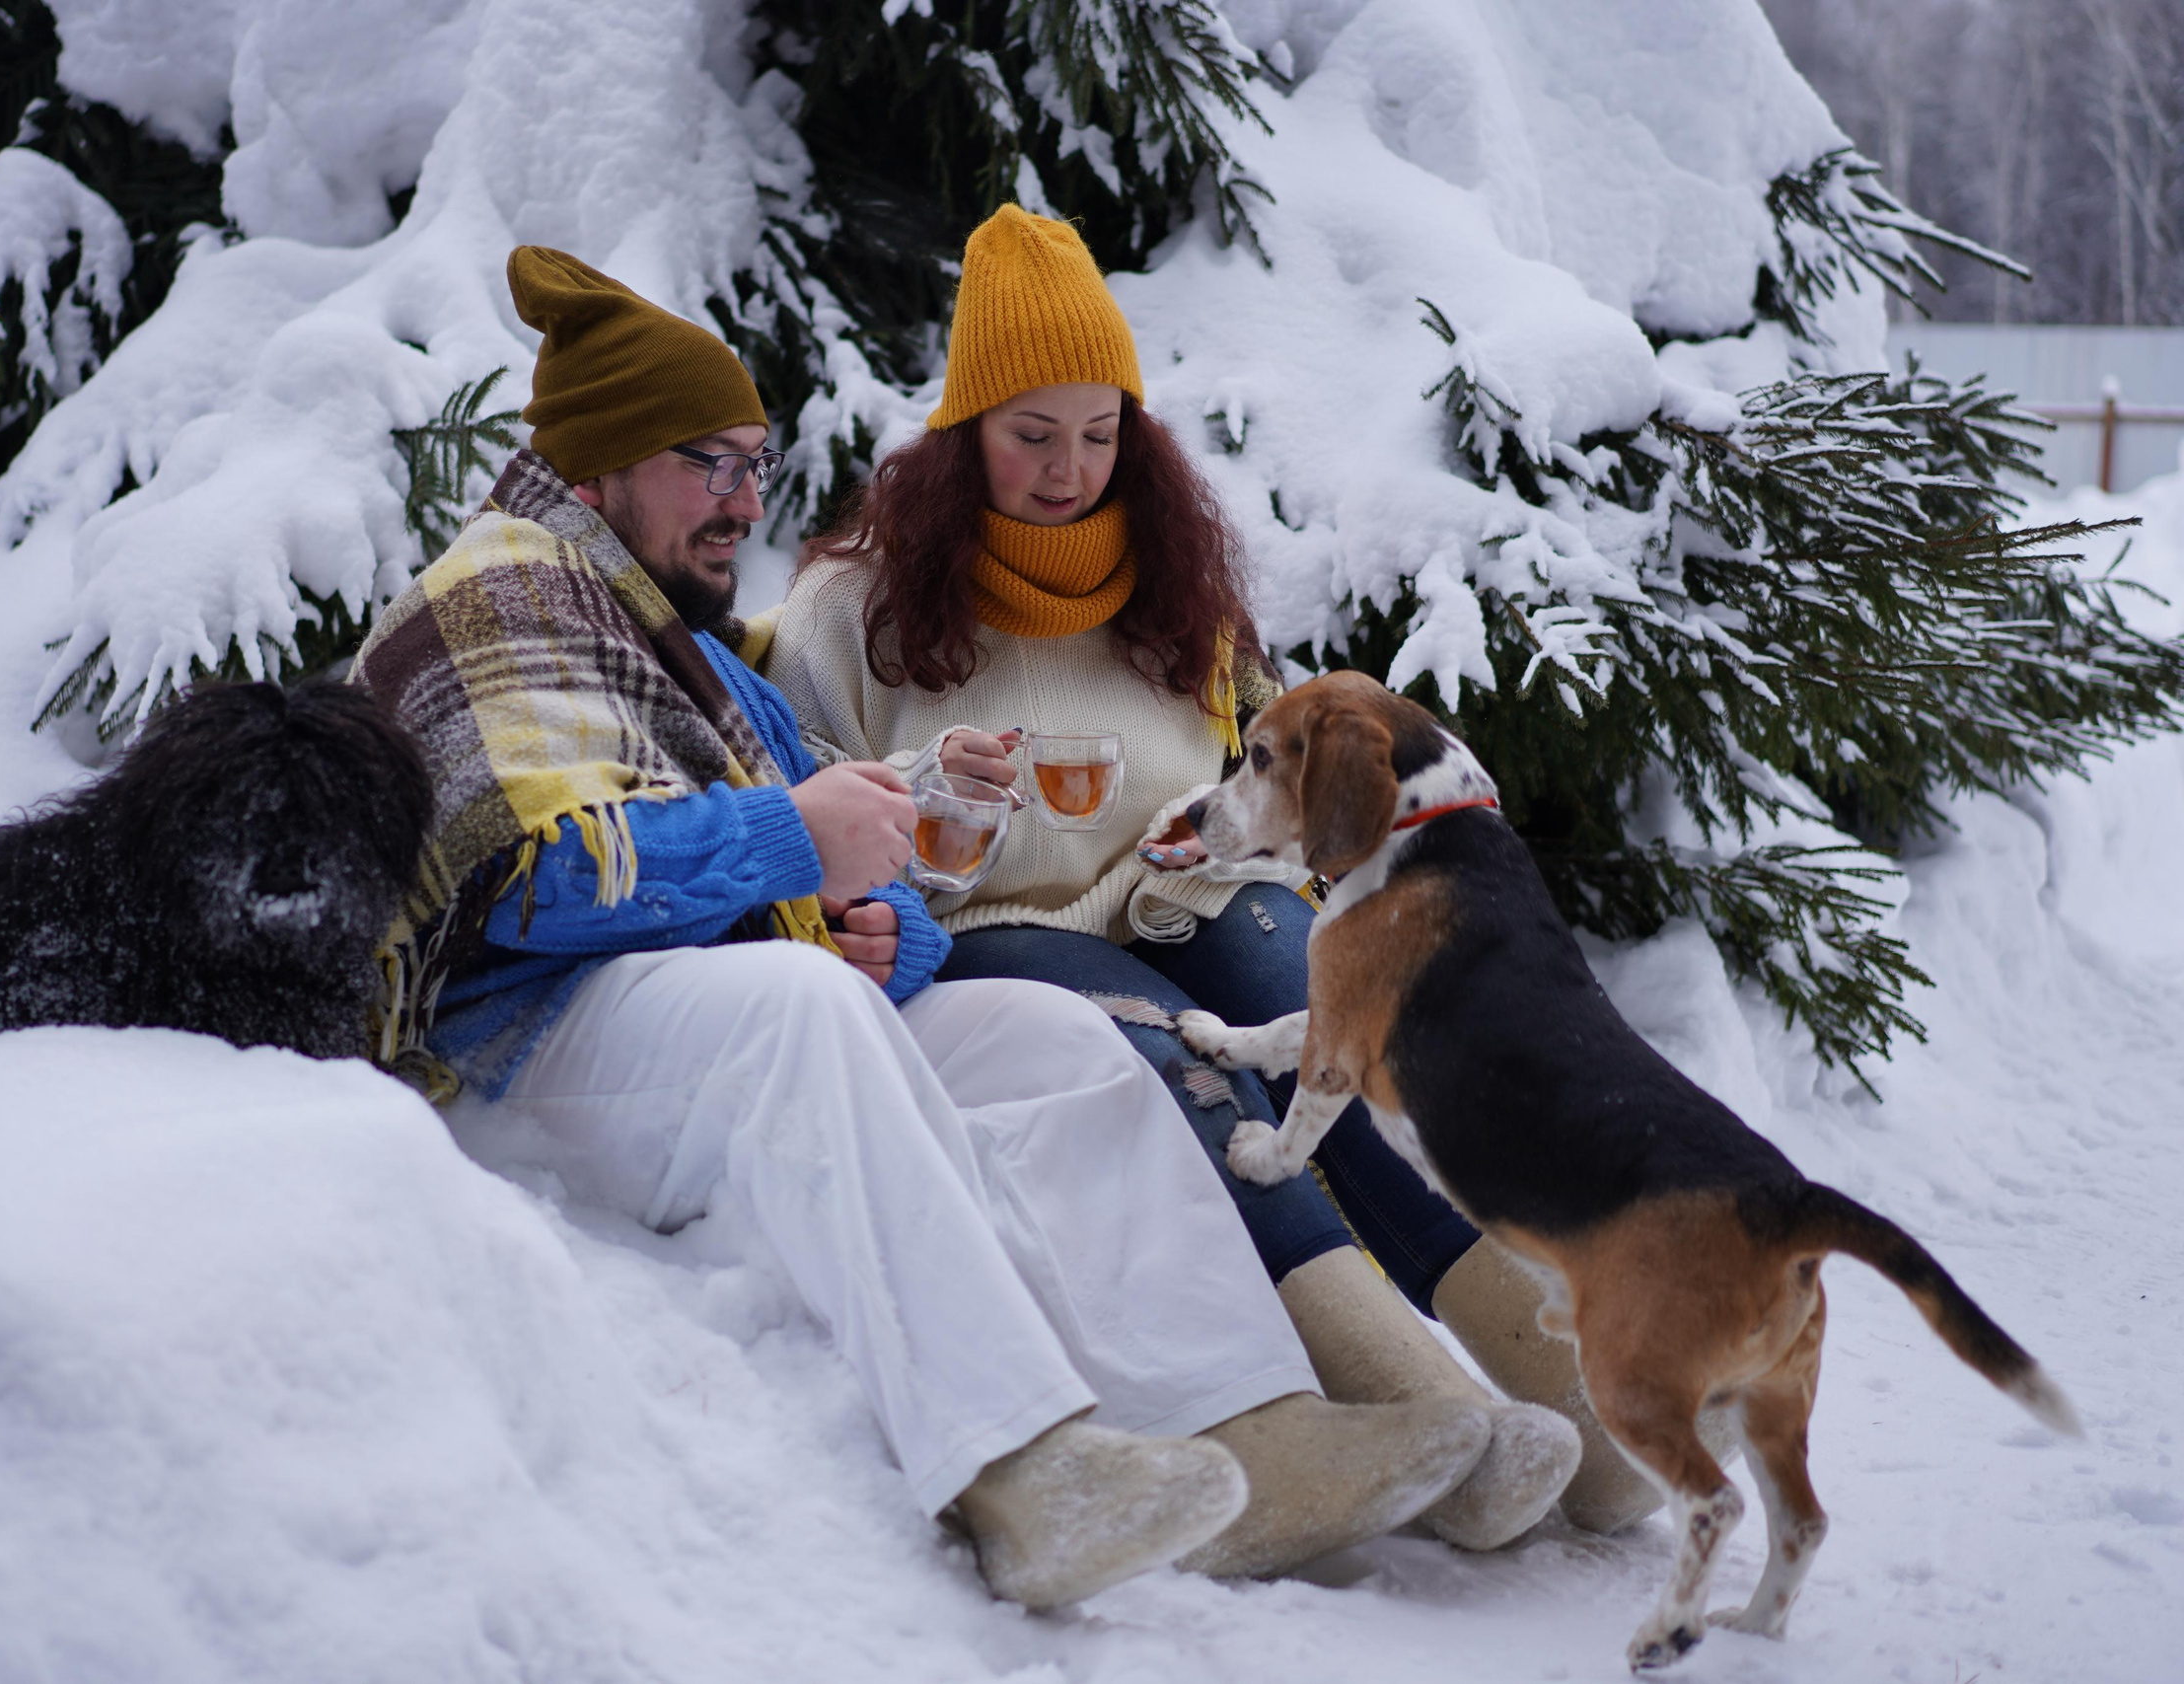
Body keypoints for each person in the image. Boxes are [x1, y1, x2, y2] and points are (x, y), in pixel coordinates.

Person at [352, 245, 1499, 1611]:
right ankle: (1021, 1469)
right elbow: (535, 879)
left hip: (691, 1011)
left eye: (753, 464)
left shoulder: (688, 646)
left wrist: (895, 924)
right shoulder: (507, 590)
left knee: (1052, 1035)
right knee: (804, 1009)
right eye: (702, 462)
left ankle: (1248, 1425)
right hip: (515, 1042)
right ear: (596, 465)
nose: (741, 501)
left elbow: (856, 873)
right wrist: (797, 848)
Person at [766, 205, 1666, 1538]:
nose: (1069, 468)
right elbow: (817, 814)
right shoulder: (855, 607)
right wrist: (917, 838)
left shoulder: (1174, 579)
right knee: (1186, 1066)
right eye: (1031, 435)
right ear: (965, 438)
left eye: (1098, 431)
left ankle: (1565, 1385)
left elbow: (1260, 773)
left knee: (1342, 1032)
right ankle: (1413, 1401)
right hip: (1007, 925)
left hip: (1188, 891)